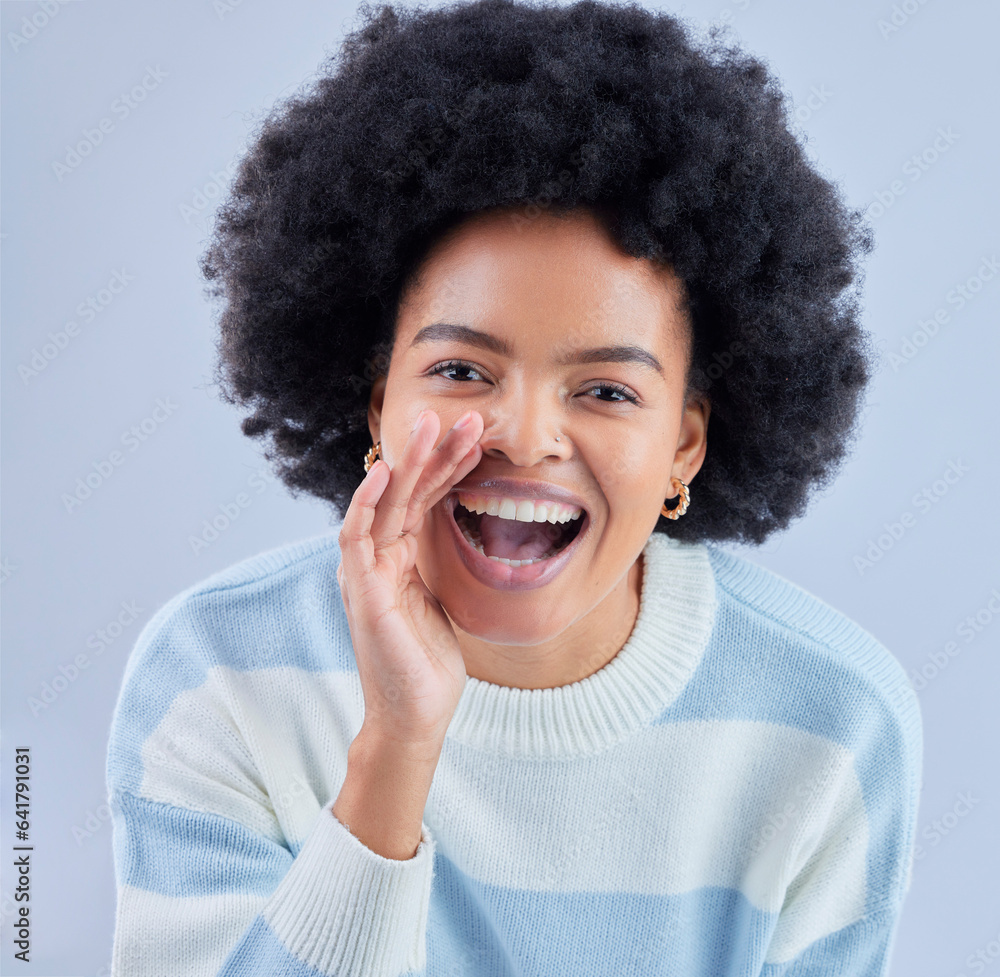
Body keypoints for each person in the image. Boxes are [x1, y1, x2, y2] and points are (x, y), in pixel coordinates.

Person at [105, 0, 922, 973]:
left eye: (608, 389)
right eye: (460, 370)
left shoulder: (828, 722)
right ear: (375, 406)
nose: (526, 437)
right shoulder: (218, 676)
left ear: (684, 450)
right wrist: (396, 745)